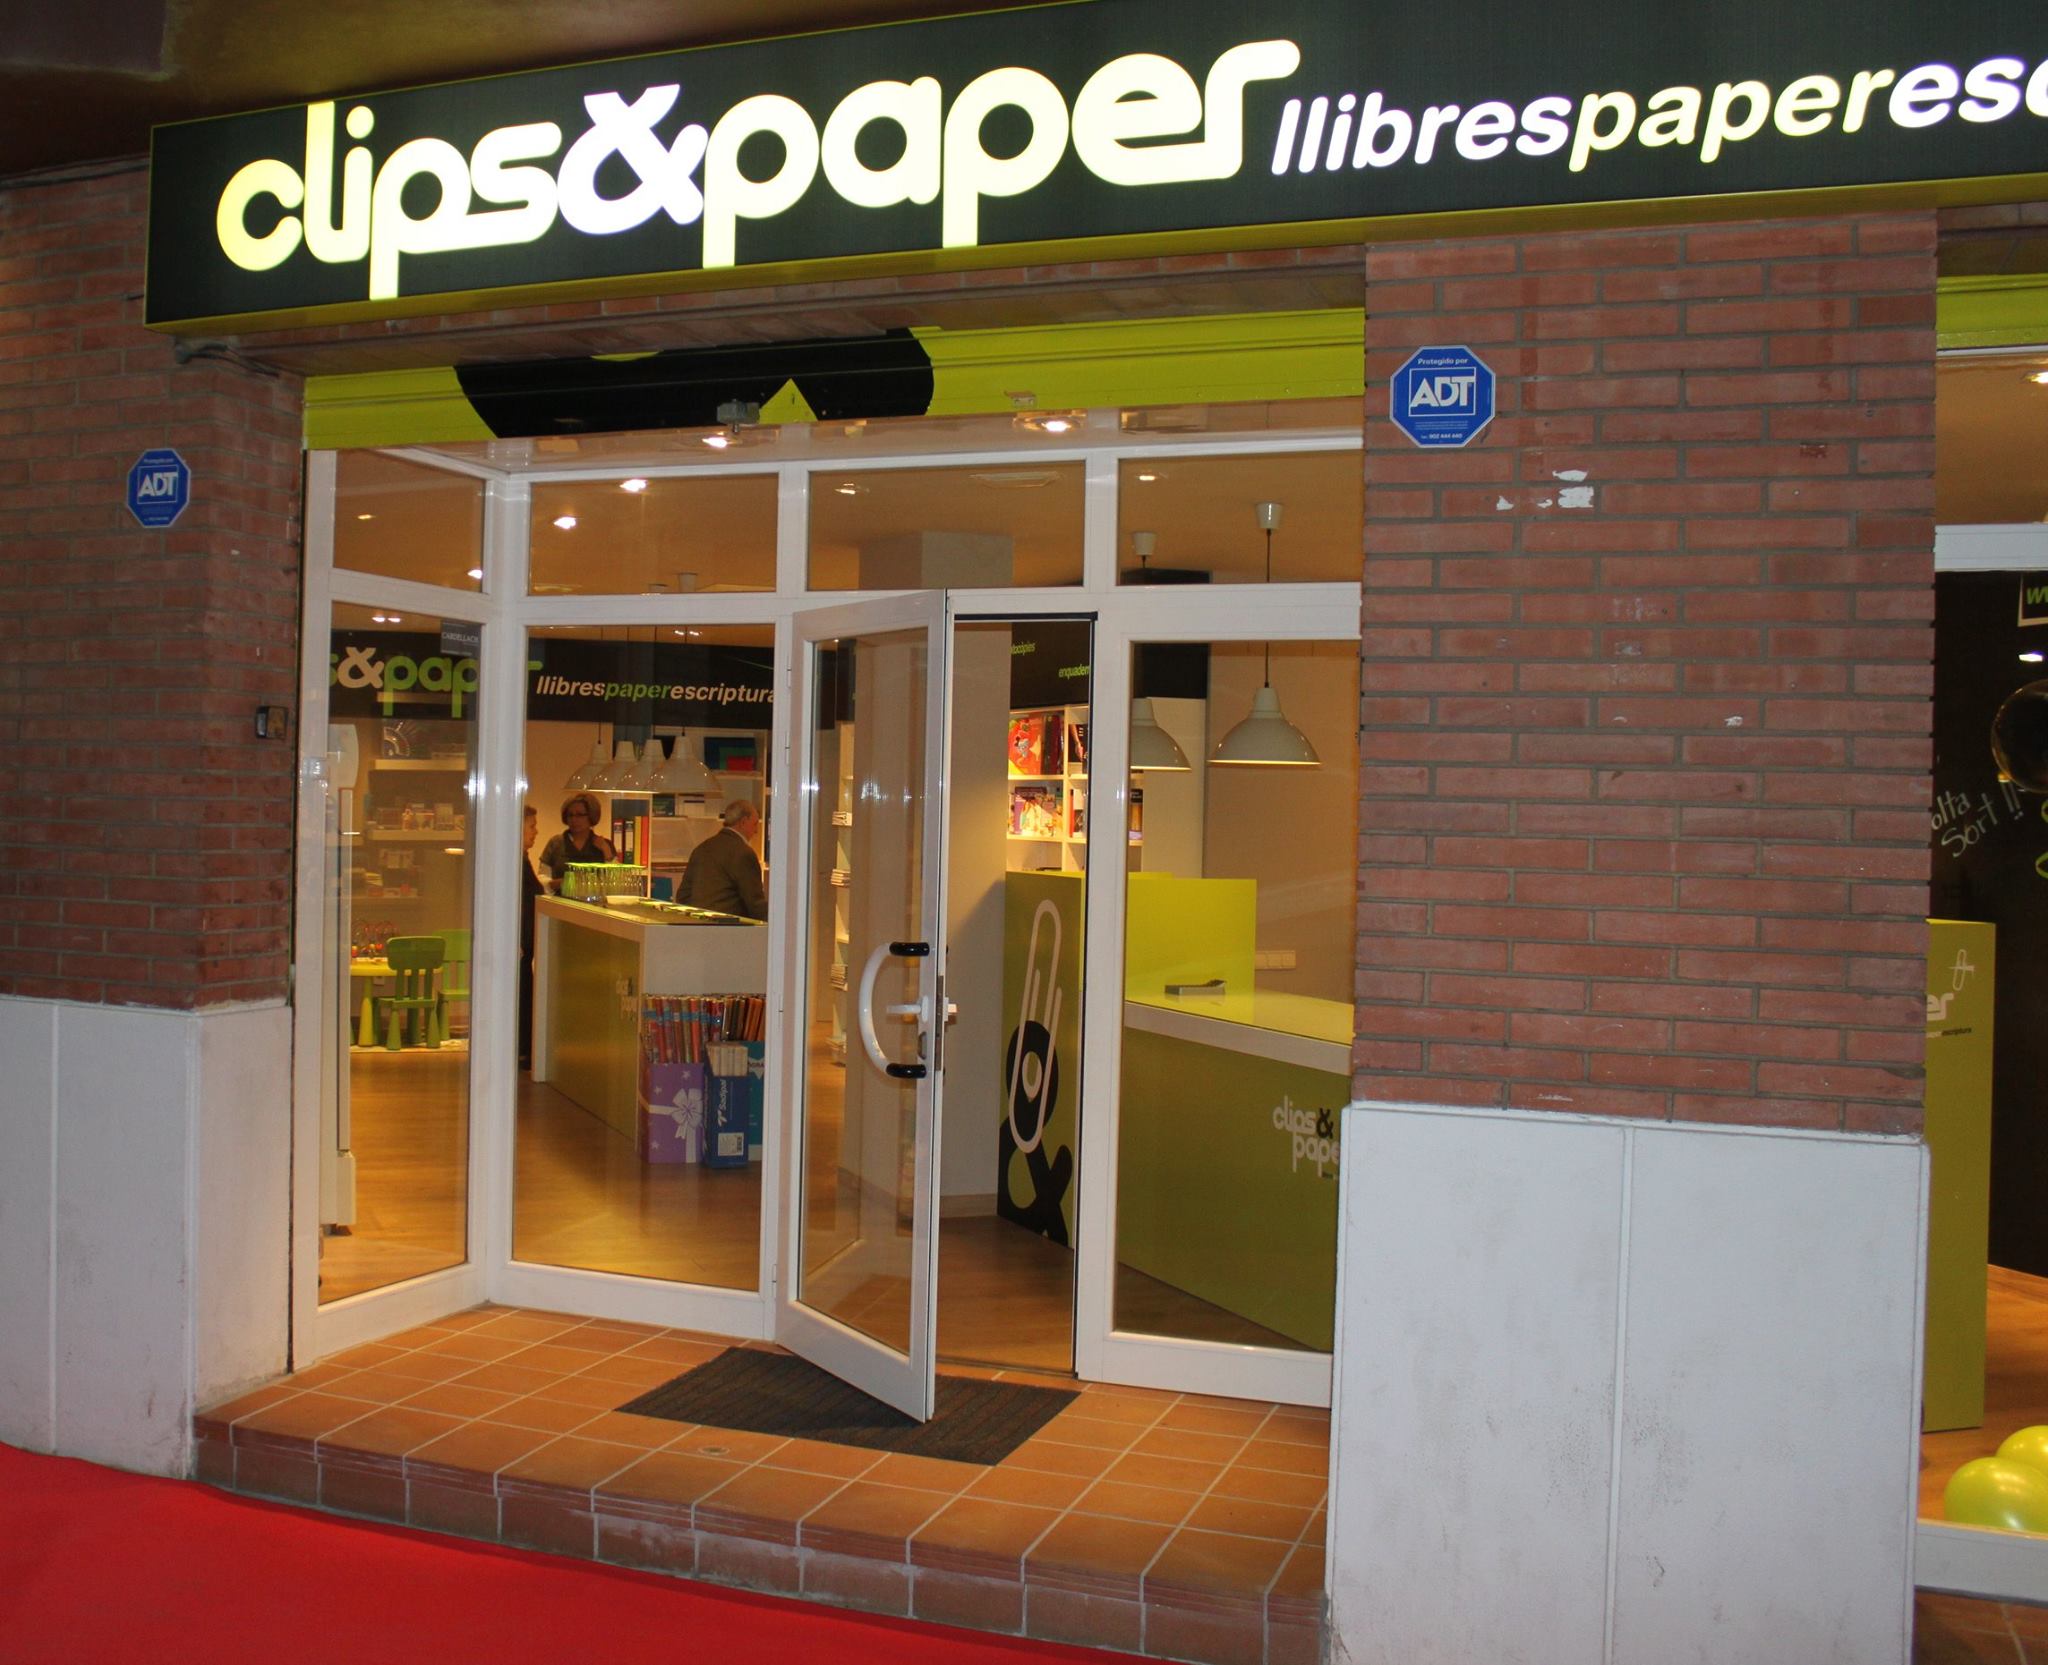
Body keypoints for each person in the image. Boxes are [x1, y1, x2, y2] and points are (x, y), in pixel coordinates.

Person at [677, 798, 766, 920]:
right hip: (730, 926)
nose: (756, 831)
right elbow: (755, 904)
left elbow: (683, 896)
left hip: (698, 925)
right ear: (743, 822)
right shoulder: (744, 853)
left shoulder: (702, 849)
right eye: (755, 824)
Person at [537, 791, 616, 888]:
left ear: (591, 816)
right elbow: (542, 878)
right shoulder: (556, 843)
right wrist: (559, 883)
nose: (574, 820)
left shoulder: (604, 844)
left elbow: (615, 881)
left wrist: (607, 853)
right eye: (570, 815)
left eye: (580, 815)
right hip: (559, 896)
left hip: (594, 897)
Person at [518, 804, 544, 1069]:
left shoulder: (523, 860)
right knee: (521, 996)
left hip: (526, 943)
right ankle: (521, 1051)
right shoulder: (514, 863)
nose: (535, 832)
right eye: (532, 826)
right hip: (520, 944)